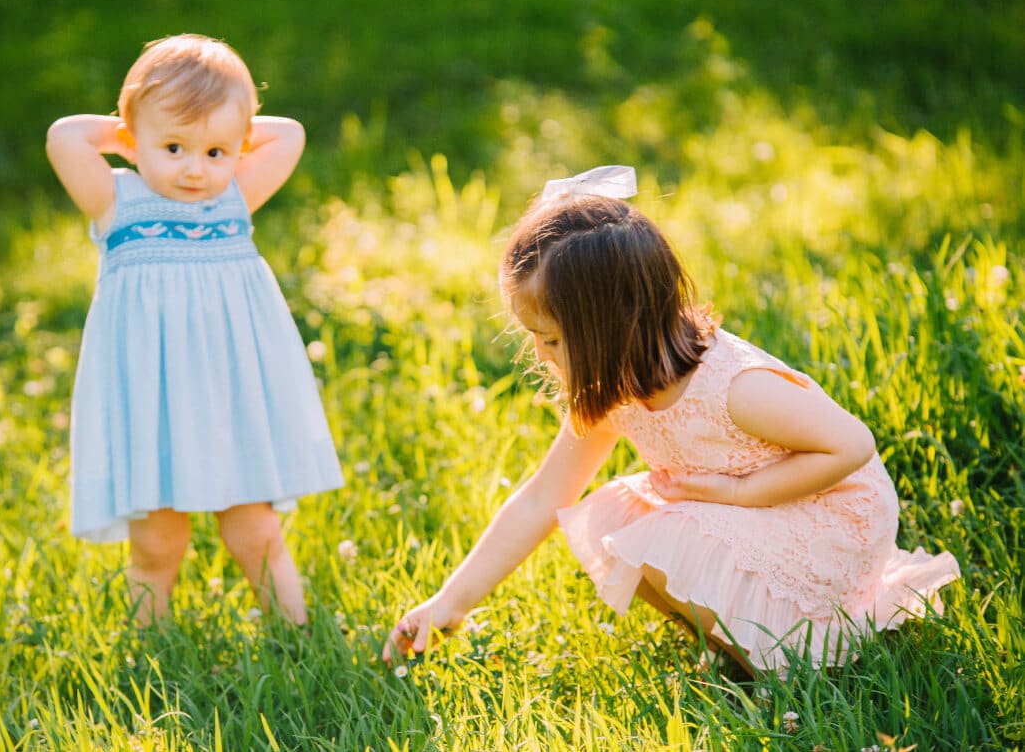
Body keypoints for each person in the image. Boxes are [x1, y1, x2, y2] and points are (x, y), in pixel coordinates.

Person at [385, 179, 959, 674]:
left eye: (553, 340)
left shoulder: (735, 388)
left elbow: (853, 445)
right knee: (621, 516)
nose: (538, 355)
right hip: (740, 507)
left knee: (664, 534)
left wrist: (740, 492)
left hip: (827, 515)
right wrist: (450, 601)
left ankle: (790, 662)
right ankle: (744, 654)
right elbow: (542, 499)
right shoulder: (613, 386)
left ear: (611, 330)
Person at [46, 33, 343, 626]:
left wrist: (219, 130)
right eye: (175, 147)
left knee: (255, 530)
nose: (194, 169)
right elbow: (65, 136)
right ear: (133, 141)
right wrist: (135, 133)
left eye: (214, 152)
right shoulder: (114, 201)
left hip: (229, 399)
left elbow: (289, 134)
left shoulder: (235, 198)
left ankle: (300, 637)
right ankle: (151, 651)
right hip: (150, 403)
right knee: (157, 544)